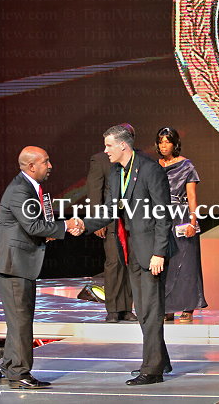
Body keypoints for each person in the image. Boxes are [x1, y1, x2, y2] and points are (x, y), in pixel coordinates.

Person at [83, 125, 176, 386]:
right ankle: (161, 360)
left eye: (109, 145)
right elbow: (108, 211)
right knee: (144, 309)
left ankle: (152, 369)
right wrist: (80, 225)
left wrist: (159, 253)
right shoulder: (116, 172)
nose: (105, 151)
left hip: (151, 251)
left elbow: (163, 214)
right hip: (131, 249)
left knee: (151, 310)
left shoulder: (150, 169)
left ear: (123, 145)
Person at [0, 146, 82, 389]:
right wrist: (66, 226)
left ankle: (8, 368)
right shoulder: (20, 190)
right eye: (46, 162)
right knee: (21, 320)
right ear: (32, 166)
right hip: (13, 265)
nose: (50, 166)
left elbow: (31, 226)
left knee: (18, 320)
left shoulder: (28, 187)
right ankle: (19, 373)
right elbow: (33, 226)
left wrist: (49, 231)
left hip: (17, 264)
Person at [156, 127, 208, 323]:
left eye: (167, 141)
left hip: (182, 216)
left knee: (186, 263)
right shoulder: (155, 166)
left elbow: (192, 197)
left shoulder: (186, 166)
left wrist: (193, 222)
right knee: (165, 263)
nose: (163, 146)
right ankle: (168, 307)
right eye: (160, 142)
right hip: (161, 216)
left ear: (175, 143)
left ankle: (188, 307)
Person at [86, 123, 136, 323]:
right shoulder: (101, 159)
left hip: (133, 221)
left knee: (131, 264)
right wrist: (97, 221)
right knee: (114, 263)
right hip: (111, 221)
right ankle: (114, 309)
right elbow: (95, 191)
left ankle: (127, 308)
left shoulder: (138, 159)